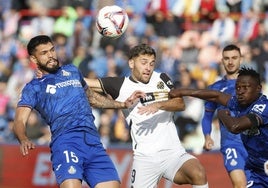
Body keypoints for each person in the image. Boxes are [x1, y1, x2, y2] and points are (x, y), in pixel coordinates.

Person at [12, 35, 141, 188]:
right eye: (44, 53)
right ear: (34, 59)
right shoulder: (33, 88)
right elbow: (19, 120)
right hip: (66, 141)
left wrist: (122, 104)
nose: (51, 55)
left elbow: (92, 99)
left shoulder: (72, 71)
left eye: (52, 50)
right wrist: (23, 138)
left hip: (93, 141)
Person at [87, 44, 208, 187]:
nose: (148, 68)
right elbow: (84, 82)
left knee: (198, 173)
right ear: (131, 63)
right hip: (145, 159)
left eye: (151, 63)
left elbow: (180, 103)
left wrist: (158, 105)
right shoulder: (120, 85)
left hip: (173, 153)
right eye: (143, 63)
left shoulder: (161, 78)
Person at [169, 67, 268, 187]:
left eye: (245, 87)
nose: (240, 91)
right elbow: (216, 96)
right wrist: (183, 92)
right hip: (258, 171)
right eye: (238, 87)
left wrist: (222, 114)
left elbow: (235, 126)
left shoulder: (262, 107)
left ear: (258, 88)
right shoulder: (240, 102)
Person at [201, 44, 249, 187]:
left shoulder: (252, 84)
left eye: (234, 58)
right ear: (222, 60)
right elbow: (207, 116)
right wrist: (207, 136)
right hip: (231, 144)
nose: (230, 62)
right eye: (227, 58)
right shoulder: (215, 88)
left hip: (253, 143)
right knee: (240, 184)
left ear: (241, 59)